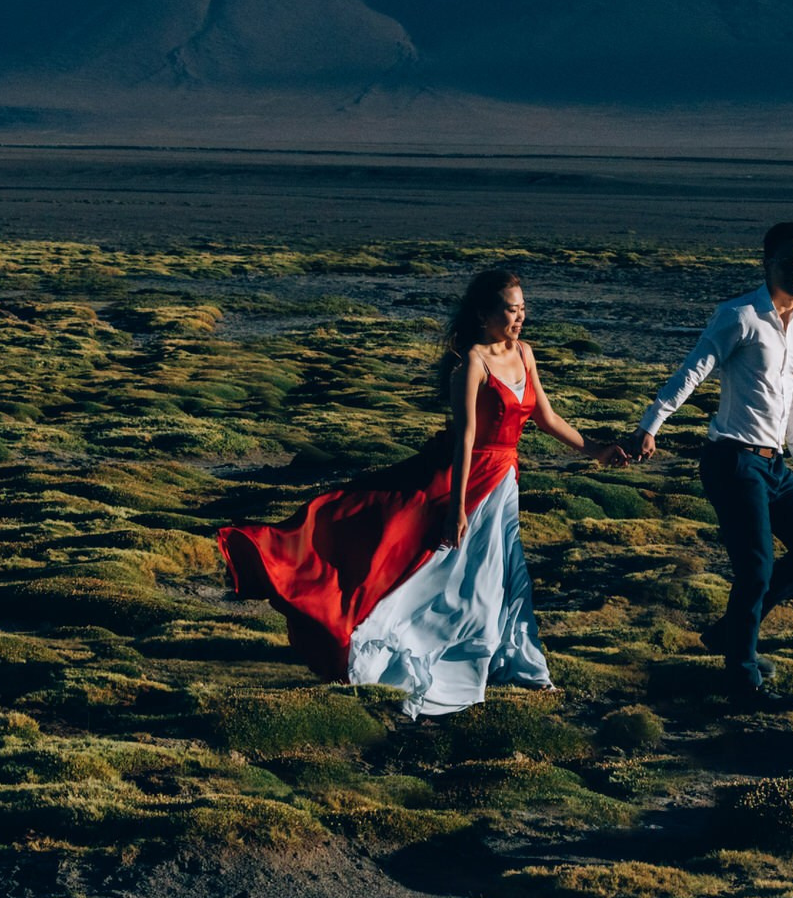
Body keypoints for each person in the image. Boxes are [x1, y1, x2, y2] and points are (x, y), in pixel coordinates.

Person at [218, 268, 620, 716]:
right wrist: (457, 508)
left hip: (505, 480)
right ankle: (449, 665)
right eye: (511, 309)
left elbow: (546, 417)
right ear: (484, 314)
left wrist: (597, 451)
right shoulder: (472, 364)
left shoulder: (524, 353)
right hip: (470, 480)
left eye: (523, 308)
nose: (520, 317)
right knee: (470, 579)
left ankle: (525, 667)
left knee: (507, 577)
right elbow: (465, 438)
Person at [626, 222, 793, 712]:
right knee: (756, 568)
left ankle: (730, 633)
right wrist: (651, 425)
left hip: (776, 465)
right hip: (733, 459)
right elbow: (694, 369)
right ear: (768, 263)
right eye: (790, 260)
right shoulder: (740, 316)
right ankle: (743, 682)